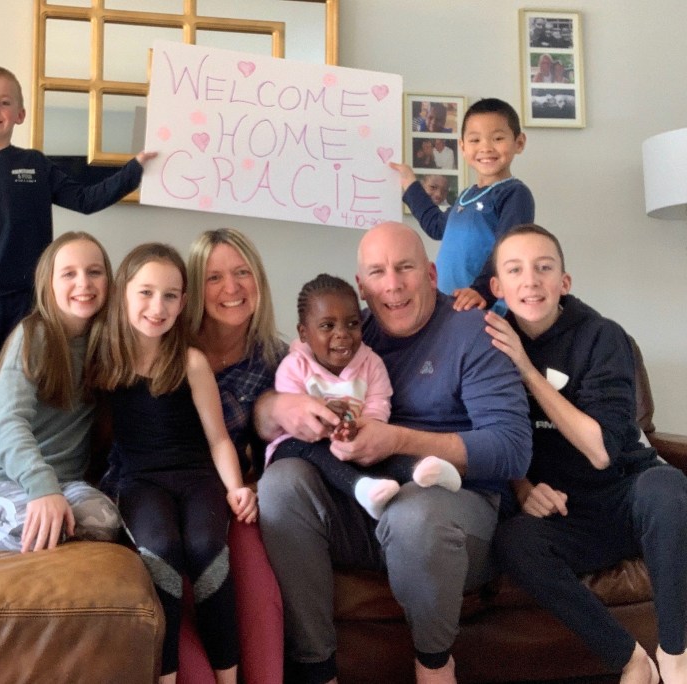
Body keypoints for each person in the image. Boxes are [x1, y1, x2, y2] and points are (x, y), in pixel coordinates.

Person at [256, 221, 532, 684]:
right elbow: (270, 411)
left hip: (452, 513)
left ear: (429, 273)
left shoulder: (474, 331)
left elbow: (513, 448)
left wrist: (399, 439)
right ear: (361, 286)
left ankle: (434, 666)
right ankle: (317, 667)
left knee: (415, 515)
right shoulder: (348, 330)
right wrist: (280, 405)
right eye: (377, 273)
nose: (393, 284)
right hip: (362, 503)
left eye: (404, 268)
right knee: (280, 486)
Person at [485, 224, 687, 684]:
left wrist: (525, 367)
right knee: (513, 541)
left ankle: (676, 656)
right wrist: (523, 486)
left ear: (564, 282)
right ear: (498, 286)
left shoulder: (602, 336)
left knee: (667, 484)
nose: (530, 281)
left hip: (626, 496)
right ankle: (630, 660)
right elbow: (492, 433)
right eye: (515, 270)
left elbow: (599, 451)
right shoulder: (488, 345)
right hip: (567, 513)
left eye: (543, 268)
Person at [0, 64, 155, 446]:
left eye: (3, 101)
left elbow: (85, 199)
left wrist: (136, 169)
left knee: (26, 399)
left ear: (19, 114)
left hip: (32, 306)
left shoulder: (34, 164)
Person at [91, 242, 257, 684]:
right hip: (139, 481)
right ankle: (165, 676)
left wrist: (236, 487)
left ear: (184, 302)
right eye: (145, 292)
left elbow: (219, 438)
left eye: (170, 295)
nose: (156, 307)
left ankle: (228, 676)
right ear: (123, 292)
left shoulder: (190, 360)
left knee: (206, 550)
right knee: (161, 552)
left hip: (198, 477)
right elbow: (49, 391)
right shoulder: (103, 356)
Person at [0, 231, 121, 553]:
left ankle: (52, 521)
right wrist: (42, 489)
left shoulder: (110, 342)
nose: (83, 283)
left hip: (69, 483)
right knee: (30, 530)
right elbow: (9, 423)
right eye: (69, 274)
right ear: (49, 284)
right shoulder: (34, 336)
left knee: (106, 522)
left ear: (109, 281)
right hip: (7, 480)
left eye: (94, 272)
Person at [181, 227, 287, 684]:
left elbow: (290, 449)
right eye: (214, 277)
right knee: (174, 587)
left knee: (258, 593)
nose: (231, 288)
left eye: (242, 273)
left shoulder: (278, 360)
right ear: (193, 289)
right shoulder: (165, 347)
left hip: (237, 503)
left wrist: (259, 489)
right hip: (166, 499)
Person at [266, 273, 461, 520]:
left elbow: (379, 403)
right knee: (304, 448)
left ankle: (425, 469)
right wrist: (325, 421)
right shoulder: (294, 366)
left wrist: (363, 427)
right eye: (327, 325)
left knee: (386, 451)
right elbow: (294, 416)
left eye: (352, 324)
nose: (342, 334)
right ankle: (362, 488)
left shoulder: (371, 363)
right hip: (305, 446)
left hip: (355, 440)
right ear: (304, 333)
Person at [390, 98, 534, 313]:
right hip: (448, 306)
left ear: (519, 143)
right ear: (462, 147)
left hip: (483, 308)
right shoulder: (466, 196)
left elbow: (509, 251)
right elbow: (436, 226)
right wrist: (410, 184)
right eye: (475, 140)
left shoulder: (514, 193)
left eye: (497, 138)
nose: (485, 147)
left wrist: (481, 291)